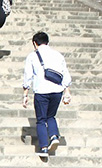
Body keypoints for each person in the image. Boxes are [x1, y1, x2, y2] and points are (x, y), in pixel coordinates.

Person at [22, 32, 72, 160]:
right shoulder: (58, 55)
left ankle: (43, 147)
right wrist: (67, 92)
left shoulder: (32, 56)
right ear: (47, 42)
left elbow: (28, 76)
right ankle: (54, 136)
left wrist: (25, 94)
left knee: (41, 120)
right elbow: (65, 74)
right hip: (57, 91)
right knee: (51, 116)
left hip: (41, 91)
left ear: (35, 43)